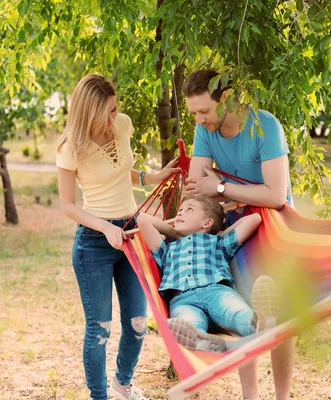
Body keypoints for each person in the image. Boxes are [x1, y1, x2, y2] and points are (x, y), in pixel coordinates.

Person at [56, 73, 180, 400]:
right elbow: (68, 205)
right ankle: (100, 397)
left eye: (115, 109)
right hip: (95, 243)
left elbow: (123, 169)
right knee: (99, 331)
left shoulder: (122, 125)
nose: (114, 117)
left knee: (138, 322)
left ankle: (122, 385)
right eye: (108, 112)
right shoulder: (70, 147)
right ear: (89, 112)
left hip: (131, 231)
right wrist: (105, 226)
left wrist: (155, 176)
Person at [183, 69, 295, 400]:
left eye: (204, 111)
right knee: (247, 308)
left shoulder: (266, 126)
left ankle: (282, 397)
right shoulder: (205, 131)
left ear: (227, 99)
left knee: (280, 315)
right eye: (194, 113)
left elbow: (275, 195)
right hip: (236, 226)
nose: (200, 120)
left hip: (275, 228)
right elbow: (195, 192)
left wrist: (220, 187)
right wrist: (230, 194)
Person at [136, 194, 262, 351]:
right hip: (183, 299)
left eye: (189, 209)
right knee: (188, 323)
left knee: (235, 310)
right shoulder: (168, 249)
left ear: (207, 222)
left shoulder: (218, 242)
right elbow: (143, 219)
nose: (180, 213)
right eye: (180, 210)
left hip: (217, 292)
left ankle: (259, 324)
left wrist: (222, 233)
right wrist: (176, 234)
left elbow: (254, 219)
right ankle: (202, 345)